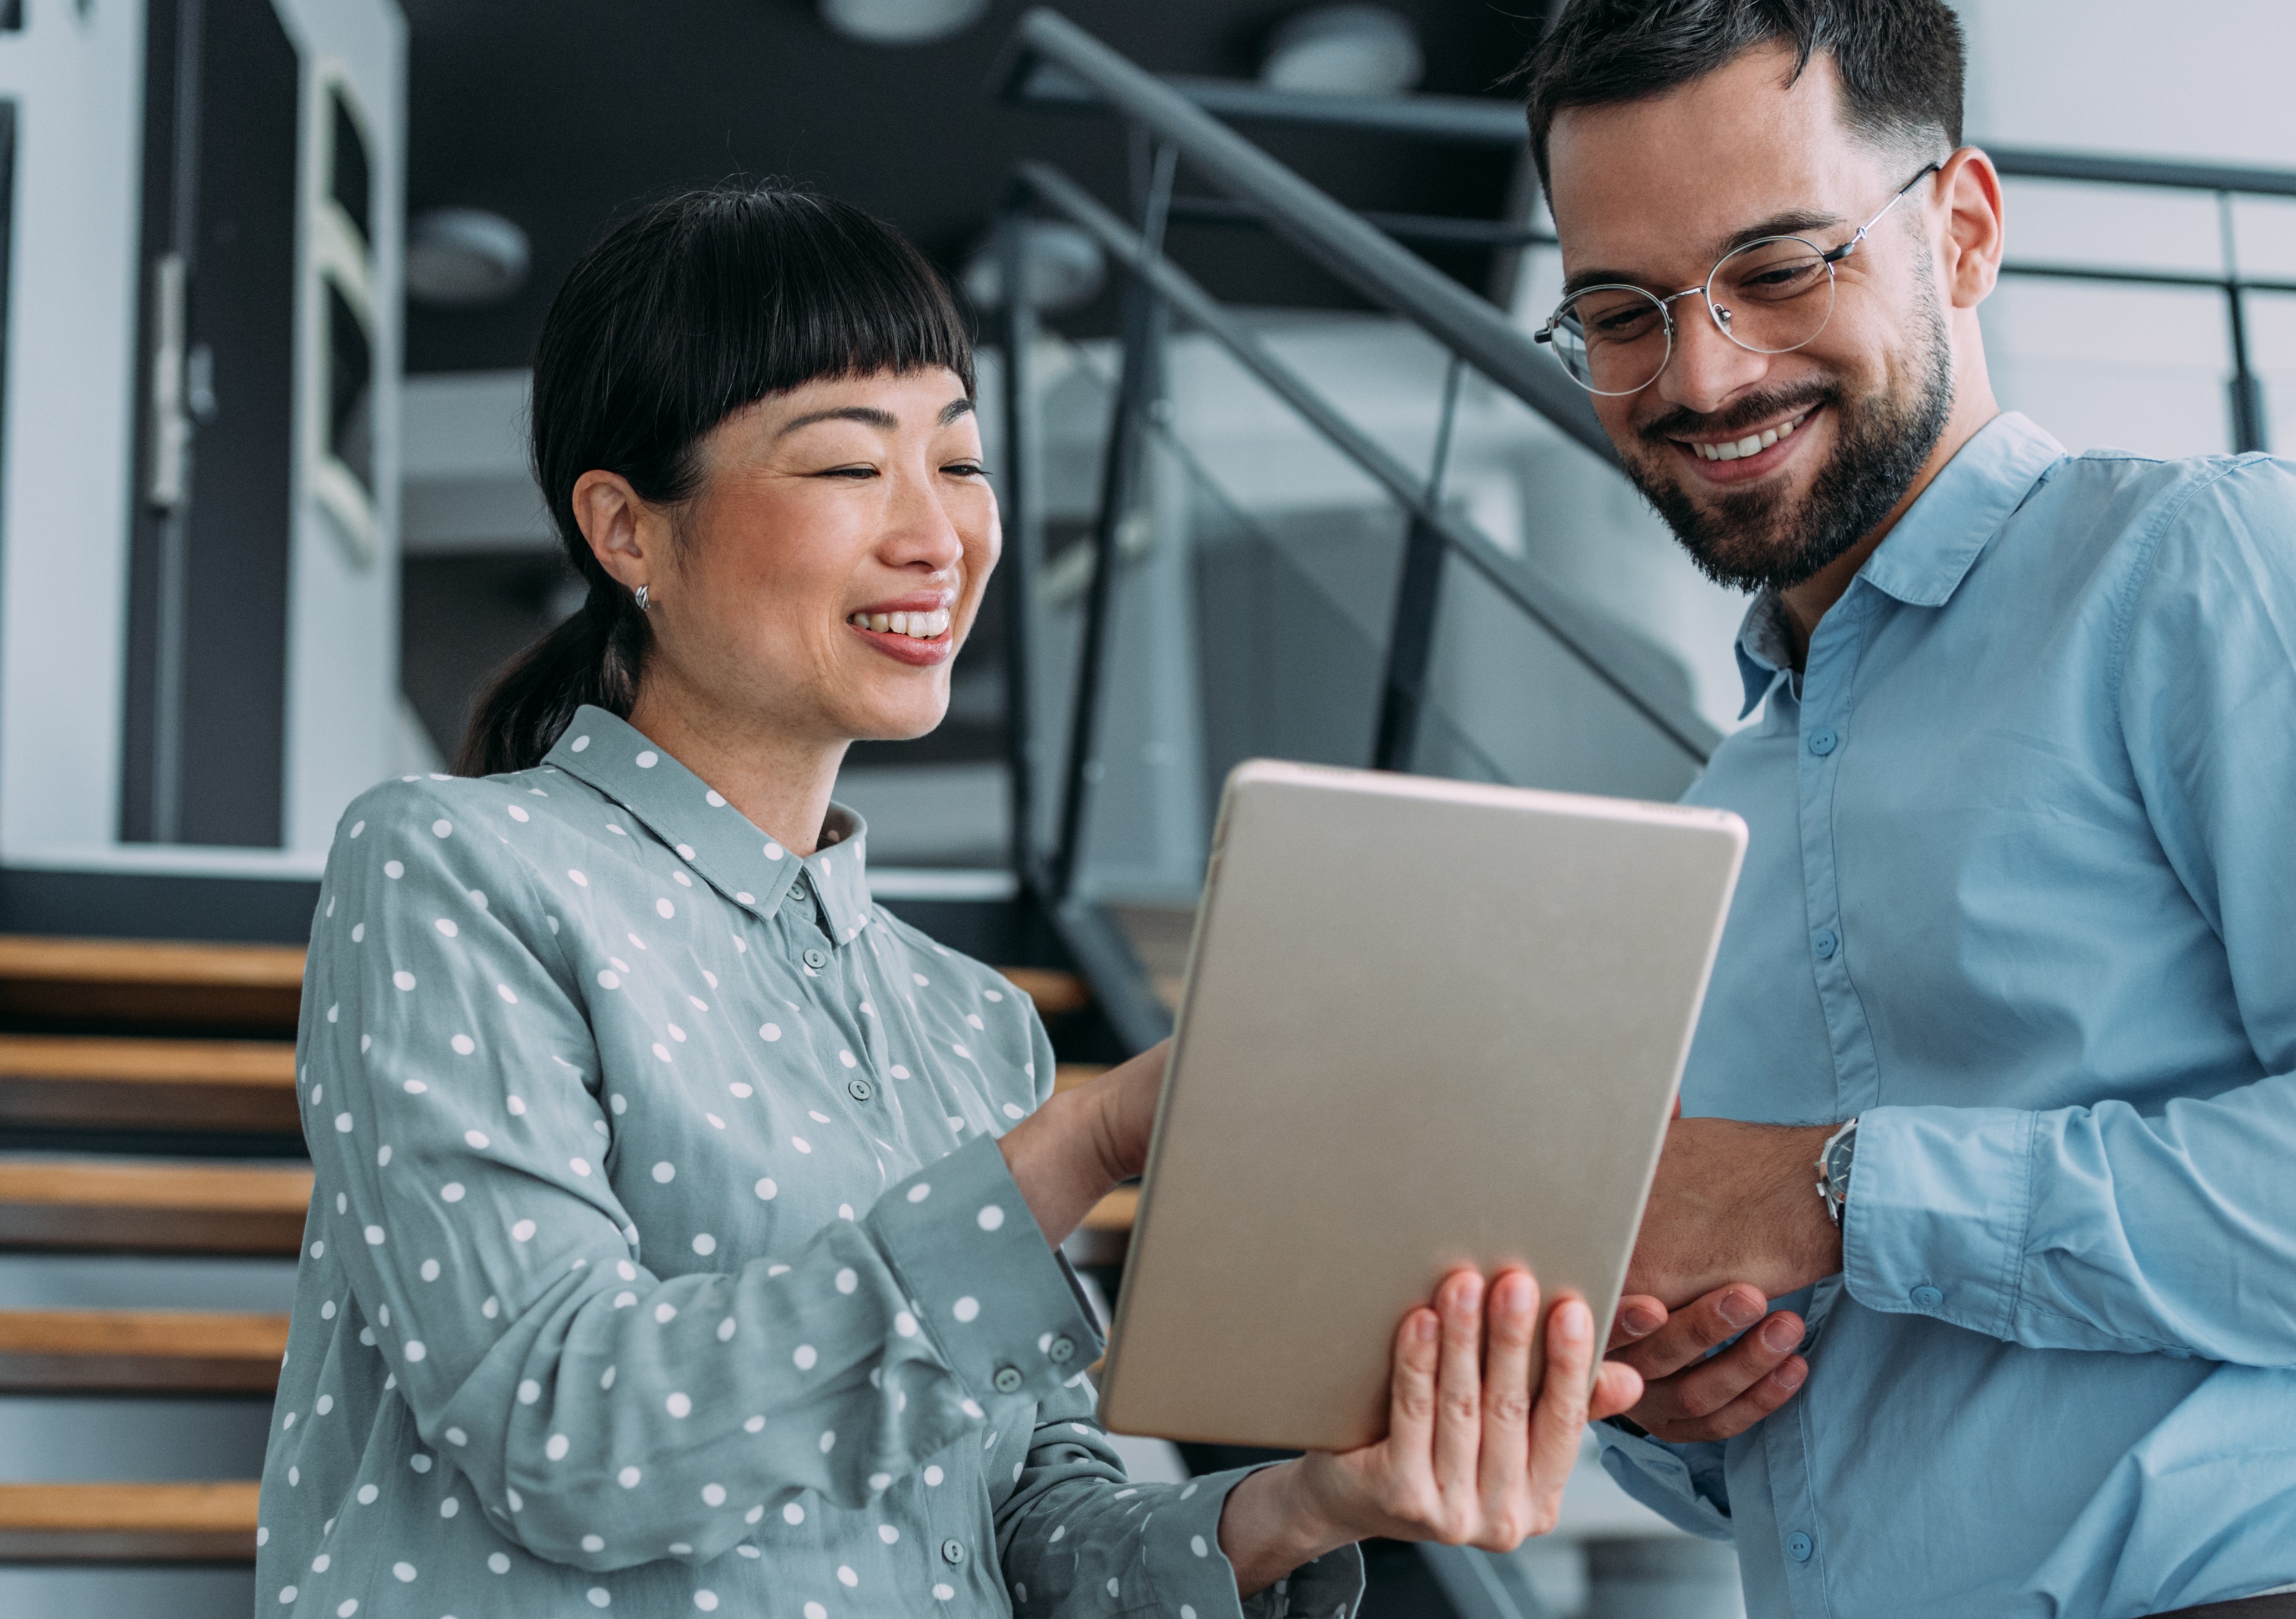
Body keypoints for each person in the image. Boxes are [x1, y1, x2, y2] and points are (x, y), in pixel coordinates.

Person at [255, 184, 1647, 1619]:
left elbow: (1030, 1537)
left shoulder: (971, 1024)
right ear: (627, 530)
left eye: (962, 462)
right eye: (851, 468)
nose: (940, 535)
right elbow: (565, 1436)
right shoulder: (454, 868)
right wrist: (1088, 1141)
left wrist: (1310, 1498)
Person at [1513, 3, 2296, 1615]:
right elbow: (1832, 1417)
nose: (1703, 371)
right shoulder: (1726, 816)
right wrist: (1668, 1401)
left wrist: (1835, 1193)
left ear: (1964, 232)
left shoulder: (2222, 569)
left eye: (1780, 271)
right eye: (1623, 312)